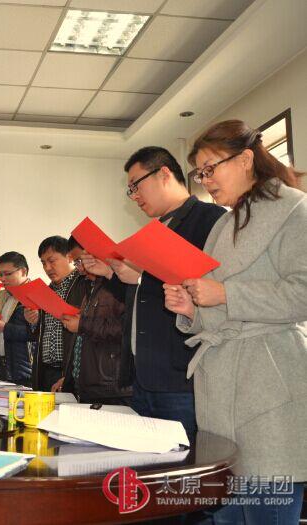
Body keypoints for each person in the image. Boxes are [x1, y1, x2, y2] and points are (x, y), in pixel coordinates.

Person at [163, 119, 305, 523]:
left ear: (245, 160)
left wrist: (225, 293)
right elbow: (219, 308)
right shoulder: (224, 224)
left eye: (211, 168)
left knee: (266, 508)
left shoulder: (295, 208)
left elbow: (303, 293)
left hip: (270, 386)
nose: (205, 180)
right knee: (228, 515)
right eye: (200, 173)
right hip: (223, 388)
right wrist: (191, 310)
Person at [84, 146, 225, 438]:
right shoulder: (157, 230)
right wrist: (114, 274)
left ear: (163, 174)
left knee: (183, 461)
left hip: (181, 378)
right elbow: (146, 297)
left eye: (136, 186)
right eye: (130, 191)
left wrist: (144, 275)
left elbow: (212, 290)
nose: (134, 196)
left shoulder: (211, 219)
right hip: (144, 376)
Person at [57, 237, 130, 405]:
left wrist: (82, 324)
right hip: (90, 385)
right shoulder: (91, 286)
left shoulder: (118, 286)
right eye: (76, 263)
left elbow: (124, 329)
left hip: (111, 387)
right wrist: (69, 378)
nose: (80, 269)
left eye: (80, 261)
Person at [27, 236, 86, 391]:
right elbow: (41, 334)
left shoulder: (84, 285)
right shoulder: (45, 291)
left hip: (71, 371)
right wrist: (34, 322)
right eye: (43, 263)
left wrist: (72, 372)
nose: (47, 268)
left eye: (52, 261)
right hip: (46, 370)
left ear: (69, 257)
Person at [0, 251, 34, 387]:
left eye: (8, 274)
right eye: (0, 274)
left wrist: (5, 328)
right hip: (0, 366)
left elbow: (37, 334)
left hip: (23, 371)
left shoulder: (35, 295)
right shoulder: (4, 296)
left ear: (23, 271)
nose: (3, 279)